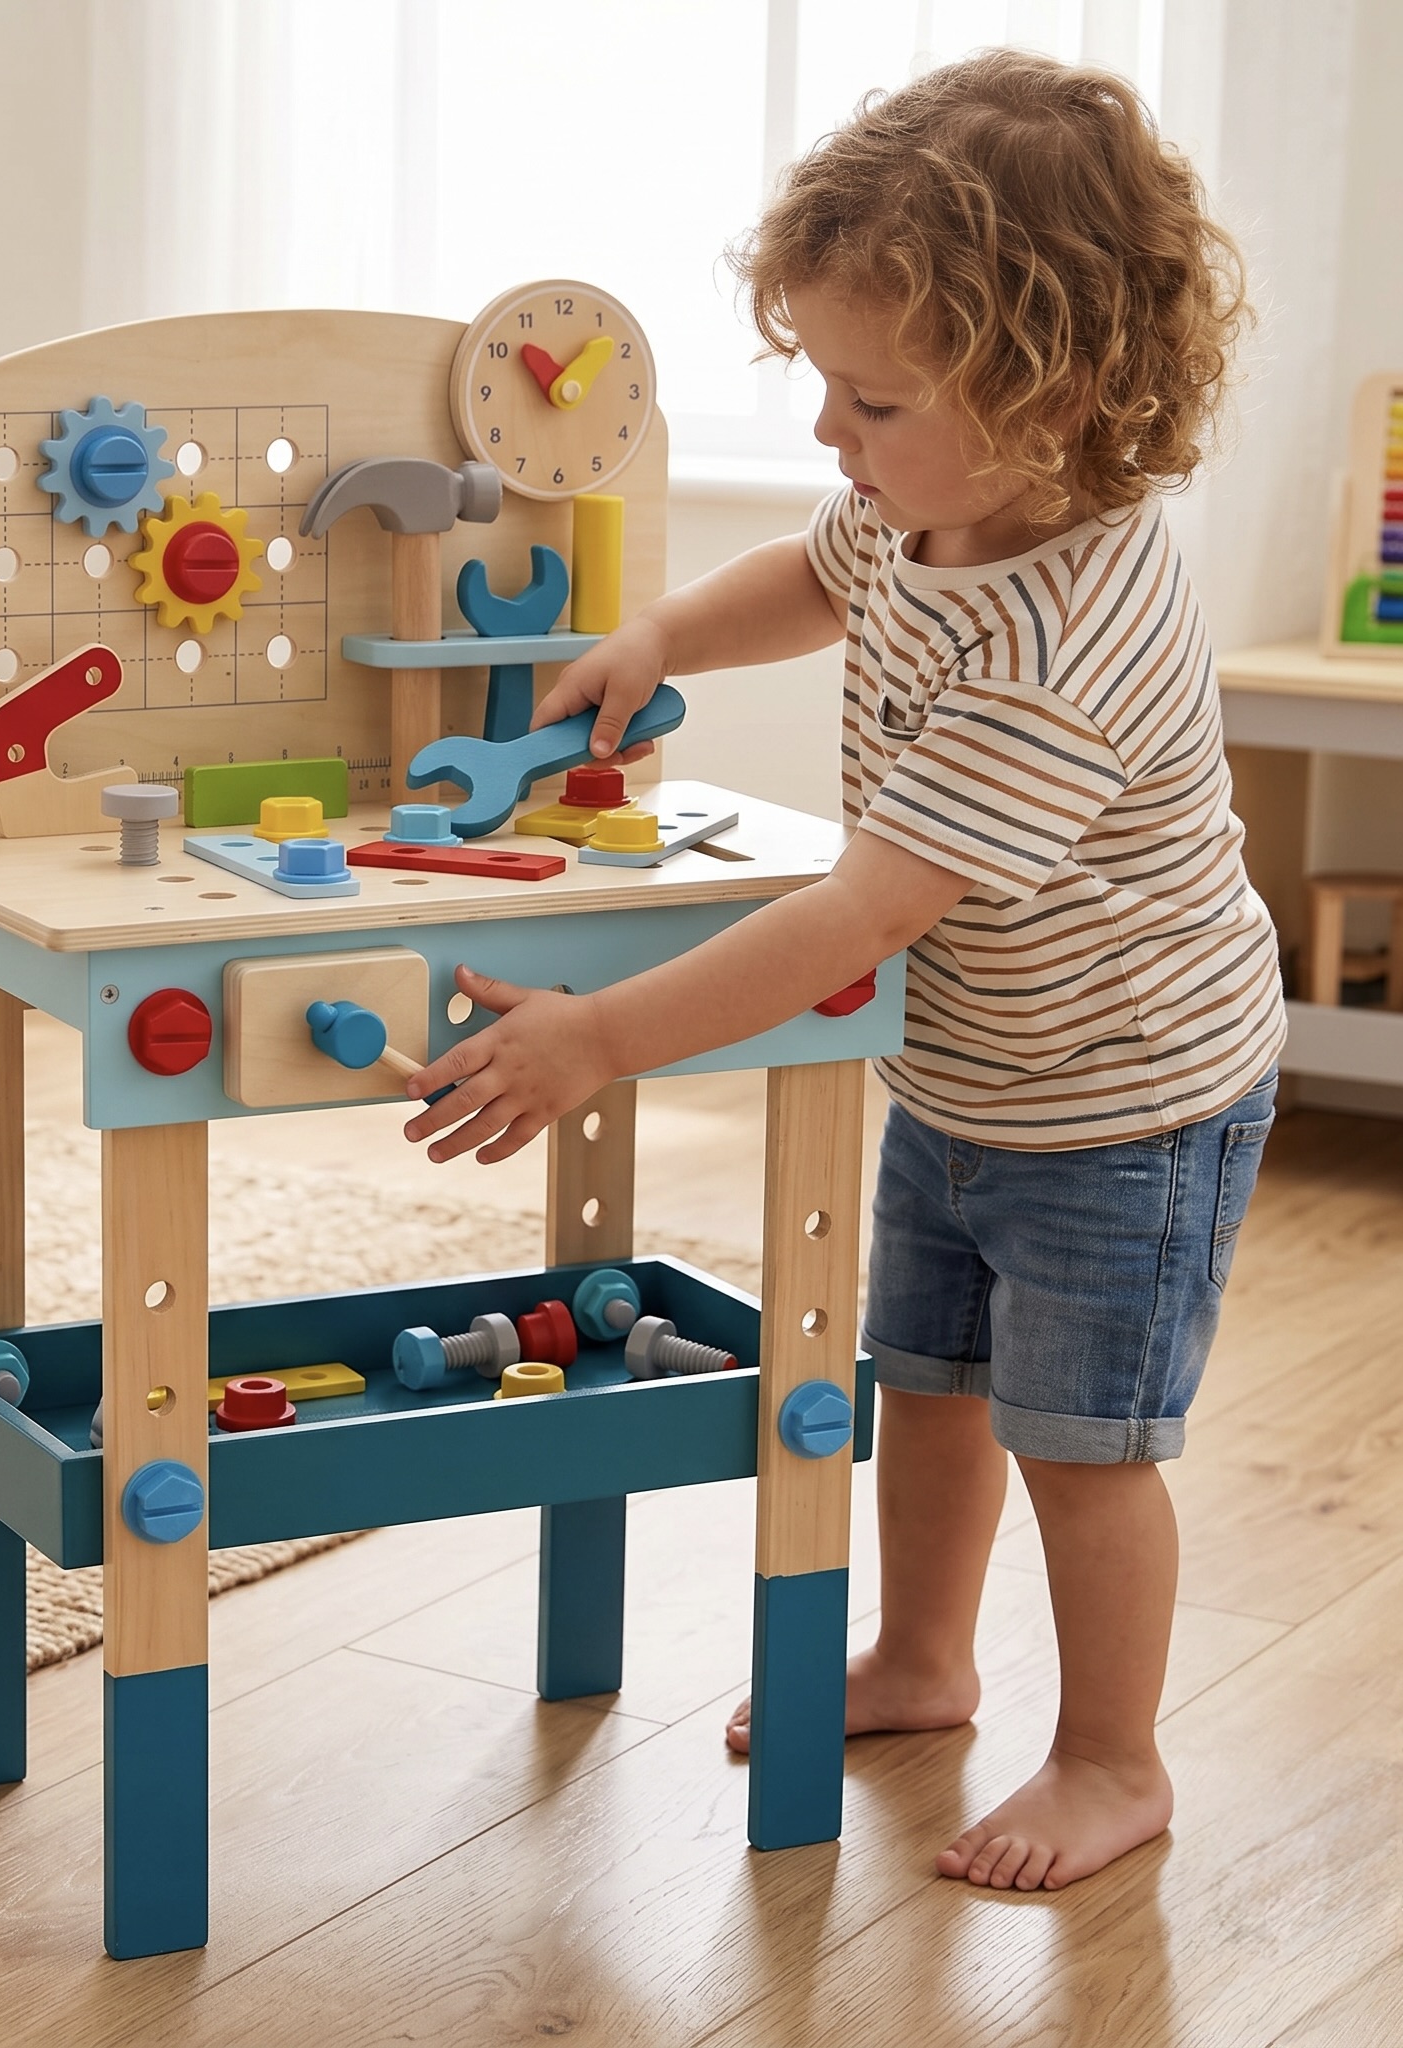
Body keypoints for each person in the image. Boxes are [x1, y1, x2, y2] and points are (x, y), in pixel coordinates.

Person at [404, 50, 1283, 1892]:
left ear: (1057, 398)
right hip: (967, 1077)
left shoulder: (1066, 635)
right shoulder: (922, 507)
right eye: (821, 381)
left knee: (1085, 1446)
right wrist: (652, 632)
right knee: (930, 1383)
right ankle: (921, 1655)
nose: (831, 434)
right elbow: (811, 575)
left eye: (868, 398)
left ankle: (1117, 1760)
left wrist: (604, 1039)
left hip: (1126, 1105)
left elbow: (851, 917)